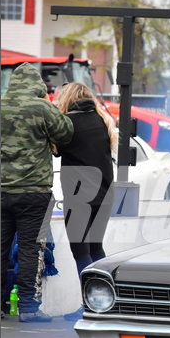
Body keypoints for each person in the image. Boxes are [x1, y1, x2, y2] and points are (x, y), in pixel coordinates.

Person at [1, 62, 73, 322]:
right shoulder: (42, 107)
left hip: (1, 191)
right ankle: (29, 308)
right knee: (31, 249)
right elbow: (66, 133)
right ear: (37, 85)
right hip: (35, 194)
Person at [53, 82, 117, 276]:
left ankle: (90, 293)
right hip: (105, 196)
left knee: (81, 253)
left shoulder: (67, 124)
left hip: (78, 199)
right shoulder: (103, 119)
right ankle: (104, 293)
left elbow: (55, 150)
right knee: (96, 248)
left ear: (66, 98)